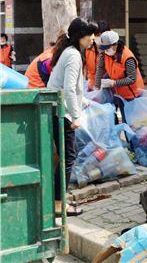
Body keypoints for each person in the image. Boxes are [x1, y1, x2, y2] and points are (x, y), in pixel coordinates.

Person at [47, 18, 95, 216]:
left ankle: (58, 199)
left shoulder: (70, 52)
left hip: (57, 108)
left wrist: (82, 101)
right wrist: (76, 117)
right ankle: (59, 204)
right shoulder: (74, 55)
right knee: (68, 156)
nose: (92, 38)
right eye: (90, 34)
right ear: (80, 37)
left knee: (65, 157)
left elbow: (71, 87)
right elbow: (67, 88)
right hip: (61, 112)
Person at [95, 30, 144, 122]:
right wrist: (97, 86)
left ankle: (131, 136)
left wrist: (114, 83)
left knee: (131, 122)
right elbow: (100, 67)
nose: (105, 51)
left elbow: (132, 78)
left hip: (132, 95)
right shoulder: (105, 53)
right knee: (118, 119)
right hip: (119, 93)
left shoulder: (127, 57)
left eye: (107, 48)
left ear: (115, 45)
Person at [85, 21, 110, 90]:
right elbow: (85, 69)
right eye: (98, 35)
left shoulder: (110, 51)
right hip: (91, 86)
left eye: (102, 36)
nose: (100, 38)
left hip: (107, 87)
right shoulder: (88, 49)